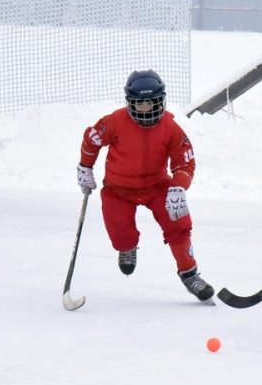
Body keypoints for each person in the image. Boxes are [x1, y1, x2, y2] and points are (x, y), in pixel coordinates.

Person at [75, 70, 214, 301]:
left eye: (151, 102)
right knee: (120, 232)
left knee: (178, 220)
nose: (145, 109)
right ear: (129, 103)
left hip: (156, 186)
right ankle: (127, 248)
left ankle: (190, 274)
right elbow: (91, 140)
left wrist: (179, 186)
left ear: (161, 100)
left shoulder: (171, 128)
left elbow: (185, 161)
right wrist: (84, 167)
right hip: (118, 190)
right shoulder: (114, 122)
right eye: (139, 104)